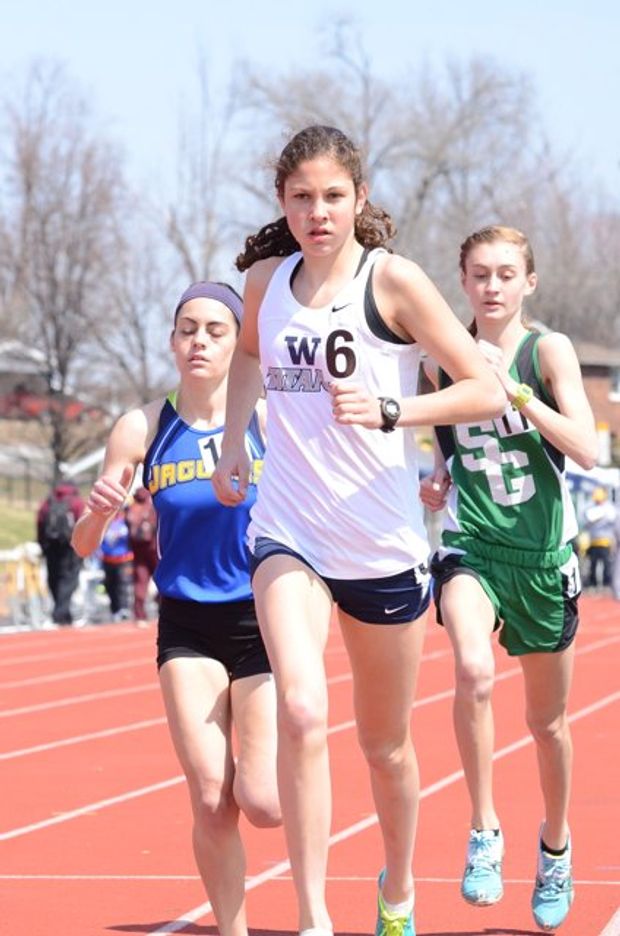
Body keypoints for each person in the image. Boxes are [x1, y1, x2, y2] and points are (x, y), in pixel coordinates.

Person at [211, 124, 505, 936]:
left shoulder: (393, 282)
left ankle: (397, 889)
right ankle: (313, 919)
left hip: (380, 546)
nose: (318, 212)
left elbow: (484, 390)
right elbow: (247, 356)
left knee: (386, 747)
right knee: (303, 713)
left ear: (360, 198)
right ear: (282, 203)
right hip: (290, 532)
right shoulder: (265, 283)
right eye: (301, 197)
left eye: (333, 196)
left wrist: (391, 409)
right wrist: (234, 442)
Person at [71, 281, 280, 936]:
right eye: (188, 329)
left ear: (238, 345)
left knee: (264, 802)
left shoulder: (268, 418)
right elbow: (83, 545)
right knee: (213, 799)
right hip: (187, 623)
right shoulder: (143, 426)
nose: (199, 342)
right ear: (171, 341)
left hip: (264, 617)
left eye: (216, 331)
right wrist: (99, 511)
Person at [420, 225, 598, 931]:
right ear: (462, 281)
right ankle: (484, 830)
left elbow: (585, 447)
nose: (491, 286)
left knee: (546, 724)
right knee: (472, 669)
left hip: (542, 563)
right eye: (479, 274)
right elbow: (449, 444)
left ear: (529, 282)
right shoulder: (440, 358)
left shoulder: (546, 351)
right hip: (473, 546)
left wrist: (514, 392)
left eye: (505, 274)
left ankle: (555, 846)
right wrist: (438, 477)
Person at [37, 481, 85, 625]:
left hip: (50, 546)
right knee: (69, 579)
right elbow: (82, 523)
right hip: (70, 547)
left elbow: (40, 522)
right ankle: (60, 612)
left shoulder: (48, 502)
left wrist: (42, 544)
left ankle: (62, 611)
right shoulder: (76, 502)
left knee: (54, 577)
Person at [126, 486, 158, 625]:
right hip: (154, 549)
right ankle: (162, 607)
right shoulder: (152, 505)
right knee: (163, 579)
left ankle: (140, 615)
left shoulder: (131, 508)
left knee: (140, 583)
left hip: (137, 551)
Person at [99, 508, 134, 620]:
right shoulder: (105, 522)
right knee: (110, 585)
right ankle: (114, 609)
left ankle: (124, 608)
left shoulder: (126, 521)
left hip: (124, 559)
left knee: (123, 584)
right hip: (107, 559)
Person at [582, 486, 616, 588]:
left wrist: (600, 516)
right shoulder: (591, 508)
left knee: (606, 564)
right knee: (593, 563)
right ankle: (593, 583)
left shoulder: (609, 508)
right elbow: (586, 521)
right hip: (593, 541)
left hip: (606, 542)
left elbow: (612, 520)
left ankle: (606, 583)